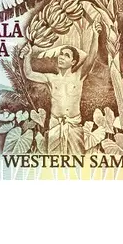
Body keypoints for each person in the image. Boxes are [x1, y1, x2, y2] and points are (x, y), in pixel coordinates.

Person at [20, 20, 102, 154]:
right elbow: (29, 74)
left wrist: (95, 35)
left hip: (74, 126)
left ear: (73, 62)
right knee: (54, 162)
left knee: (77, 161)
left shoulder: (78, 76)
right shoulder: (51, 78)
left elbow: (91, 57)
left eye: (66, 55)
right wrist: (27, 56)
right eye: (61, 54)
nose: (61, 57)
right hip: (55, 126)